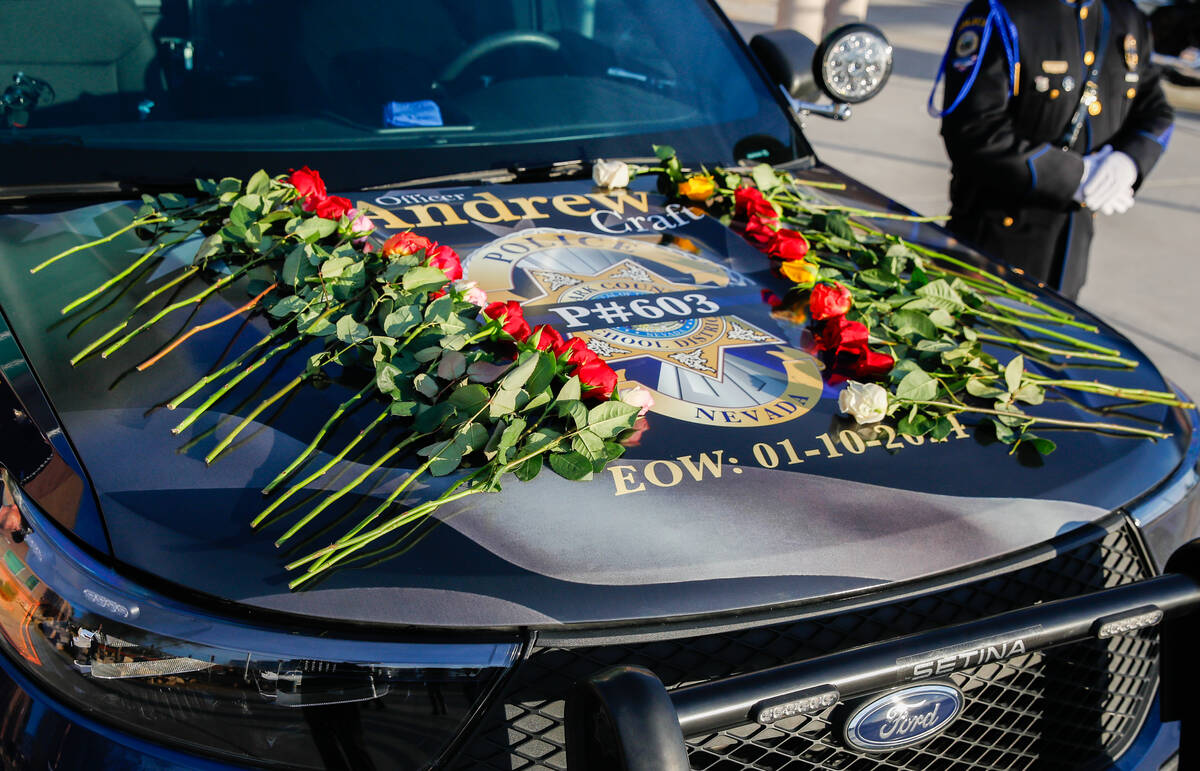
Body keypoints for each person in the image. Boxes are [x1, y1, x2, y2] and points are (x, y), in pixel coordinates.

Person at [930, 0, 1175, 300]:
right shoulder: (1001, 13)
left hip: (1071, 255)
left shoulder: (1125, 16)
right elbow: (973, 131)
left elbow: (1156, 111)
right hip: (989, 253)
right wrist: (1073, 177)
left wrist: (1130, 162)